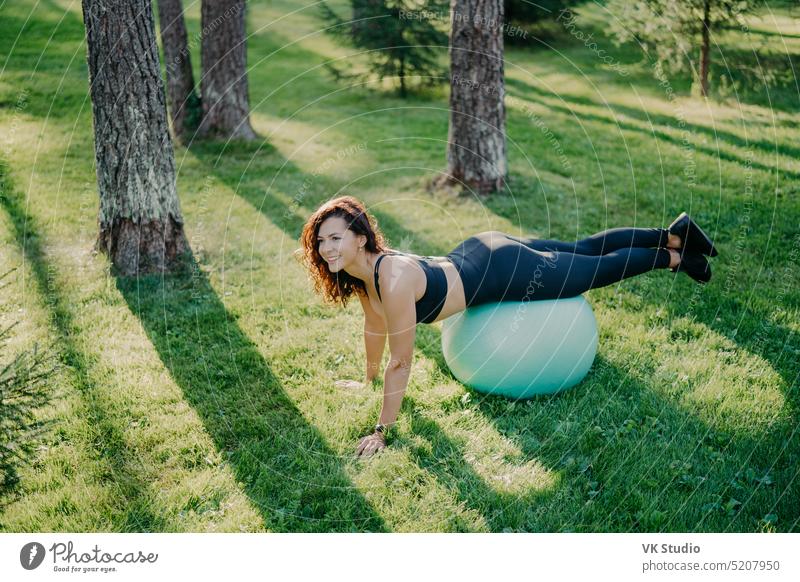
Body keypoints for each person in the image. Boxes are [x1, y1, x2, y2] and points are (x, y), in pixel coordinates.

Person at [298, 196, 719, 458]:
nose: (326, 247)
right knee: (579, 250)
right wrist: (366, 380)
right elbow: (375, 329)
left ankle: (674, 255)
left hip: (505, 269)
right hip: (478, 249)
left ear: (359, 238)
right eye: (321, 240)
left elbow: (401, 362)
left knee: (592, 269)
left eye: (335, 237)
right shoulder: (364, 276)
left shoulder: (391, 279)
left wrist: (381, 432)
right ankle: (675, 235)